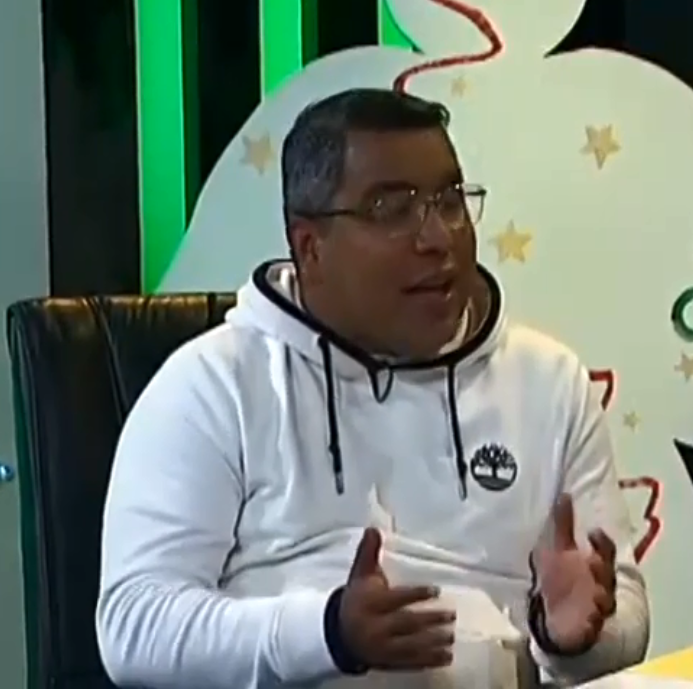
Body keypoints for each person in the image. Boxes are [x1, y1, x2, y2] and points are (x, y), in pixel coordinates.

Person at [96, 88, 649, 688]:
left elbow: (624, 624)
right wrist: (327, 633)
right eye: (391, 209)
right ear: (310, 248)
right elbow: (134, 627)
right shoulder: (213, 385)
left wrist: (571, 637)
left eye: (450, 201)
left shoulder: (549, 381)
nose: (438, 238)